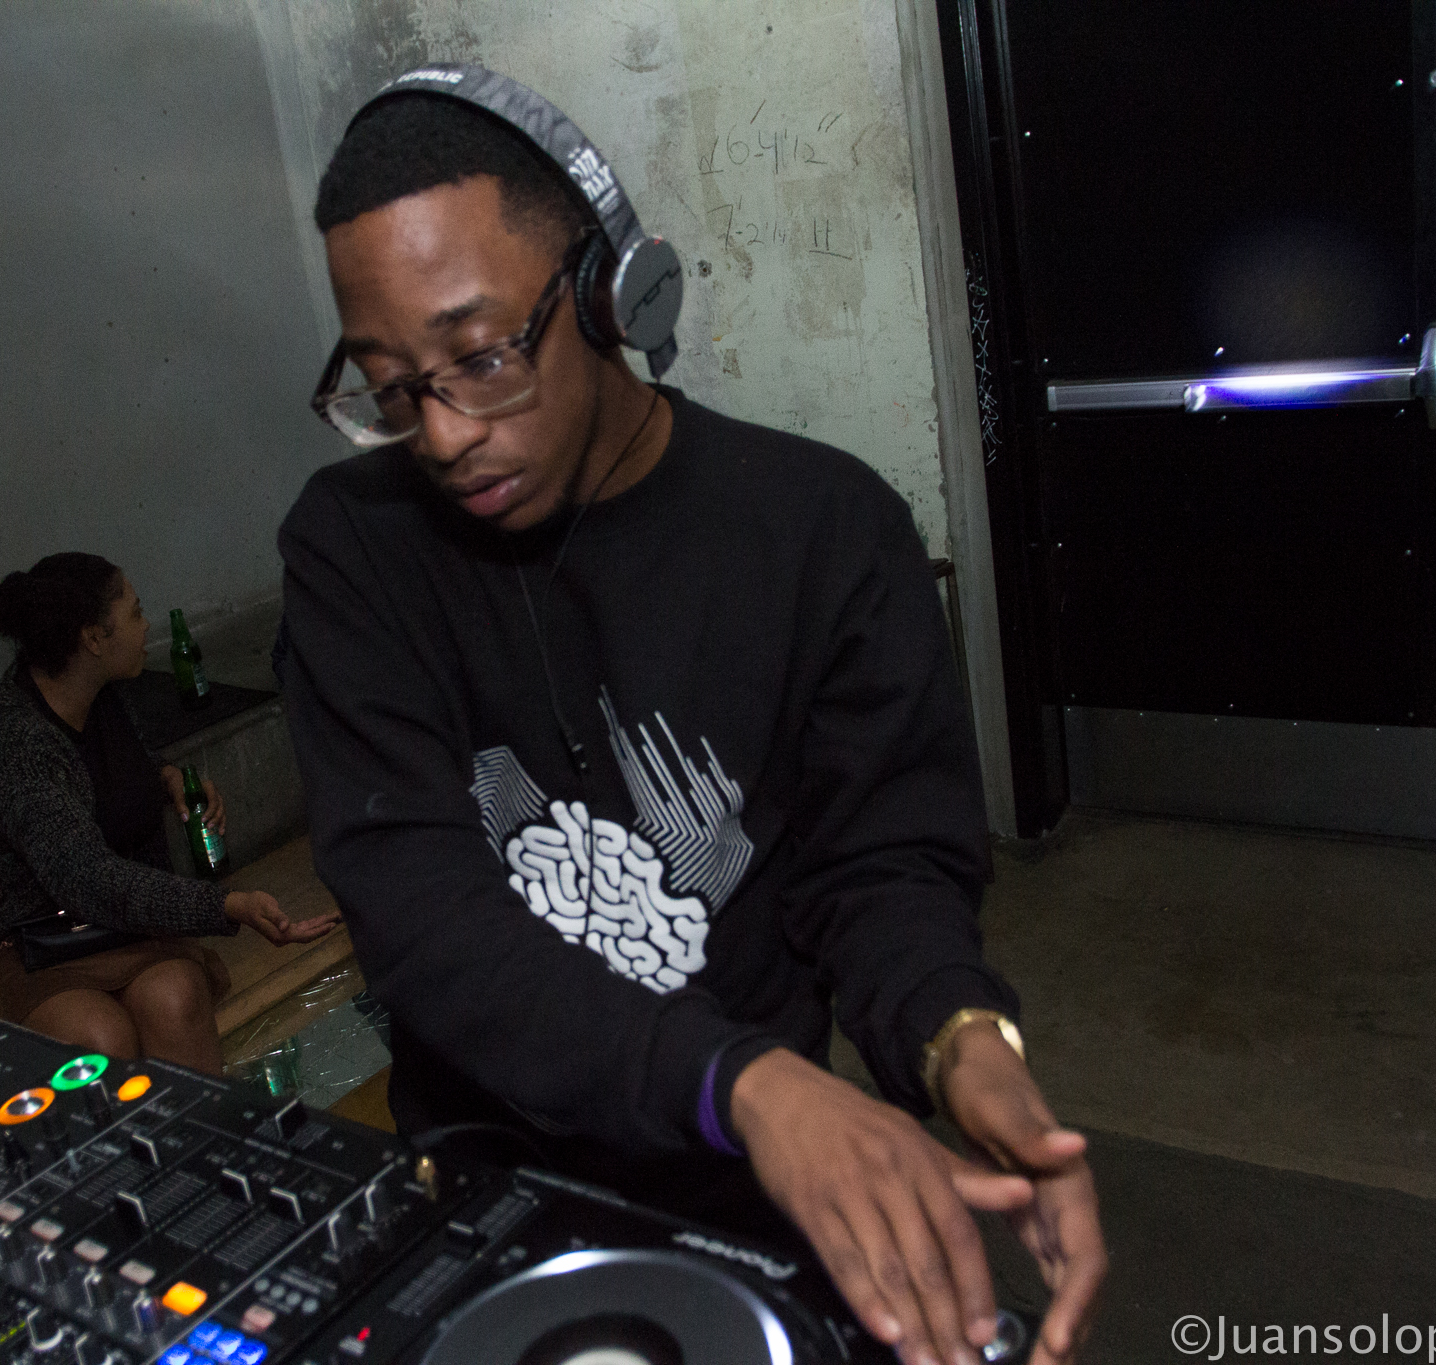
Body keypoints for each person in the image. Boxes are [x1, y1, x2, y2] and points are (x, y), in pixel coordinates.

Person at [273, 71, 1106, 1365]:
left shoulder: (824, 530)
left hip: (754, 1191)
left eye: (481, 358)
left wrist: (960, 1038)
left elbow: (878, 867)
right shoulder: (352, 548)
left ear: (613, 293)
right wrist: (744, 1083)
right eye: (390, 387)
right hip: (492, 1185)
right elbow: (423, 917)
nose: (439, 433)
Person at [0, 551, 338, 1072]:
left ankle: (203, 1124)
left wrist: (165, 778)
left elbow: (100, 768)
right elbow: (85, 877)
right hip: (15, 943)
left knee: (177, 996)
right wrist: (227, 906)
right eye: (135, 613)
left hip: (101, 930)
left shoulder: (100, 694)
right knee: (100, 1037)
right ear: (94, 638)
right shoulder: (9, 738)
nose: (146, 626)